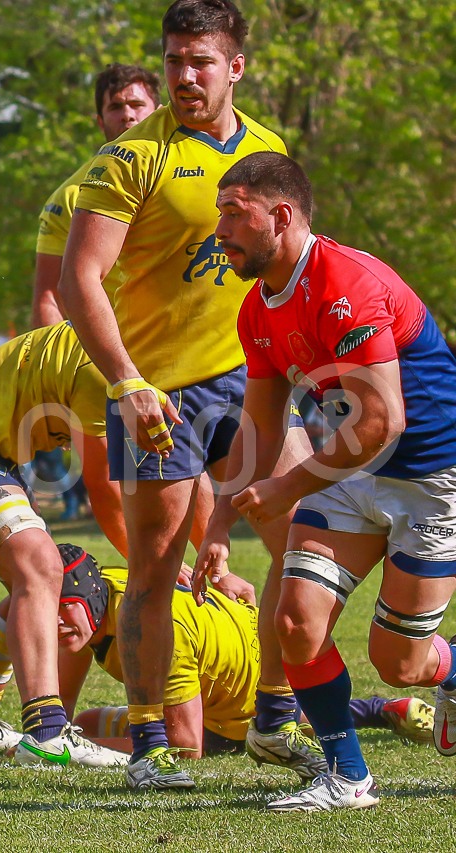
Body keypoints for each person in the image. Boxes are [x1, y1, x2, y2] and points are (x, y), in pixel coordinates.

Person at [57, 0, 322, 790]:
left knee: (307, 538)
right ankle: (151, 745)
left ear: (235, 66)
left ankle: (274, 716)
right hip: (158, 395)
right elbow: (79, 279)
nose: (184, 75)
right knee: (154, 567)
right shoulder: (130, 158)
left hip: (253, 380)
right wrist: (126, 381)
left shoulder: (269, 151)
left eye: (200, 60)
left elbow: (292, 267)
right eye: (173, 59)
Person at [196, 152, 456, 811]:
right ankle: (348, 776)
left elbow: (384, 420)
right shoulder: (256, 310)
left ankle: (452, 671)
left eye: (234, 214)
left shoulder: (346, 284)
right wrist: (220, 523)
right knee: (294, 619)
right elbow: (259, 427)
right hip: (349, 470)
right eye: (219, 214)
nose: (220, 230)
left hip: (431, 480)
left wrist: (287, 488)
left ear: (281, 216)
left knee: (401, 664)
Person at [0, 321, 251, 763]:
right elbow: (105, 489)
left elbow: (180, 470)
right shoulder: (111, 365)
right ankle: (47, 734)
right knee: (39, 567)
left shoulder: (153, 360)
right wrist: (151, 568)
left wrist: (217, 568)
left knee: (41, 583)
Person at [55, 545, 434, 756]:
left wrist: (77, 751)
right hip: (250, 643)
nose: (54, 621)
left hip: (240, 705)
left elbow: (187, 745)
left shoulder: (153, 635)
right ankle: (379, 709)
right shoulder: (105, 586)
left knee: (269, 719)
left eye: (64, 607)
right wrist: (56, 735)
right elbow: (66, 696)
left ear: (92, 596)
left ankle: (373, 712)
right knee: (88, 721)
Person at [32, 62, 160, 329]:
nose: (127, 115)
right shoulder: (68, 197)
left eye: (137, 104)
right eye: (115, 107)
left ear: (159, 112)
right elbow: (49, 299)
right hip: (115, 344)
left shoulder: (195, 169)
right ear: (100, 121)